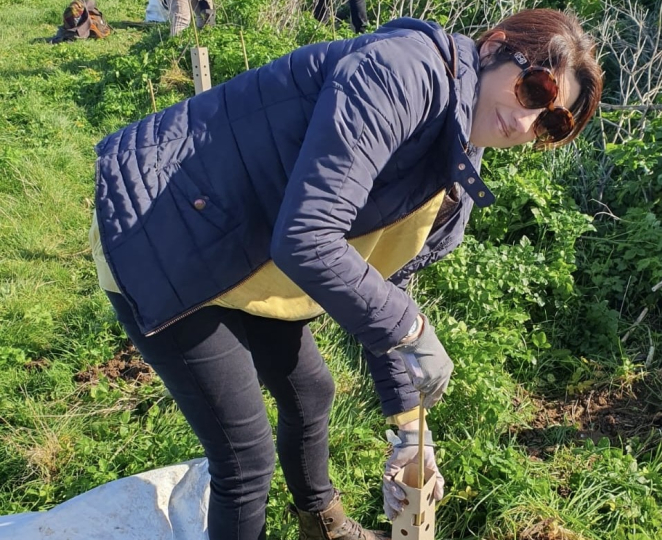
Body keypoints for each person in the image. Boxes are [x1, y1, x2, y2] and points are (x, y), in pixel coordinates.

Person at [88, 8, 602, 540]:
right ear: (494, 47)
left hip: (245, 246)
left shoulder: (456, 159)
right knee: (245, 459)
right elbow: (307, 238)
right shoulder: (403, 72)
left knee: (311, 391)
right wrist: (413, 331)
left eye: (550, 122)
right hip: (164, 234)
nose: (525, 123)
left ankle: (321, 524)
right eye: (535, 90)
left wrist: (409, 427)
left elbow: (384, 285)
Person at [145, 0, 215, 36]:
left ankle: (206, 40)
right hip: (157, 17)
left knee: (207, 15)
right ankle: (177, 51)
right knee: (181, 20)